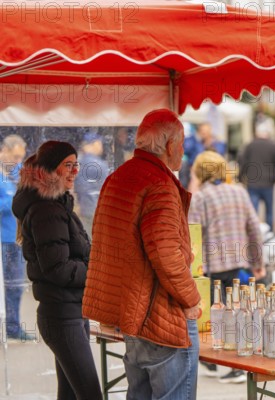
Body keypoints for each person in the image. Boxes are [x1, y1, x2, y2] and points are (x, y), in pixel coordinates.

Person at [82, 109, 201, 399]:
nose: (183, 150)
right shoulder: (159, 184)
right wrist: (191, 299)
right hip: (161, 317)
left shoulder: (117, 178)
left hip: (132, 315)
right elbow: (165, 254)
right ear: (171, 146)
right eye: (182, 144)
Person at [12, 140, 102, 399]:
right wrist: (95, 271)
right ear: (51, 170)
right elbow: (58, 269)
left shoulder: (58, 205)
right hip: (62, 317)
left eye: (76, 165)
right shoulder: (47, 210)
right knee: (89, 394)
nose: (75, 171)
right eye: (67, 166)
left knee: (71, 395)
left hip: (71, 312)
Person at [188, 150, 265, 384]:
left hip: (212, 266)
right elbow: (254, 227)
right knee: (237, 312)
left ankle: (212, 359)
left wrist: (192, 268)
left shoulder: (200, 198)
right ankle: (237, 365)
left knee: (214, 315)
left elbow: (194, 233)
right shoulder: (239, 192)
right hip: (237, 263)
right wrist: (257, 263)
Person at [0, 135, 32, 341]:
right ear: (4, 151)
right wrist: (13, 200)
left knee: (15, 286)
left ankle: (12, 326)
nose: (18, 160)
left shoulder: (16, 172)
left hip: (15, 239)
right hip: (3, 240)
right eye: (15, 156)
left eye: (21, 156)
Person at [238, 122, 275, 230]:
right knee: (269, 212)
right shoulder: (273, 146)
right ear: (267, 133)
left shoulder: (250, 145)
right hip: (268, 183)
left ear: (257, 133)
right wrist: (274, 179)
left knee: (253, 213)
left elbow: (243, 162)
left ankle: (253, 234)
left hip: (253, 183)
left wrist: (241, 177)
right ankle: (270, 235)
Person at [74, 130, 109, 236]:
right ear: (93, 145)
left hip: (84, 208)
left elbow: (78, 186)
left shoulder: (78, 163)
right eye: (99, 144)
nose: (101, 147)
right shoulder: (101, 165)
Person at [181, 122, 226, 190]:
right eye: (202, 131)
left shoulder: (218, 144)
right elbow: (187, 151)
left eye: (205, 131)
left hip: (214, 177)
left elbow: (219, 158)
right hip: (198, 177)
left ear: (210, 131)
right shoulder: (196, 144)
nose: (203, 133)